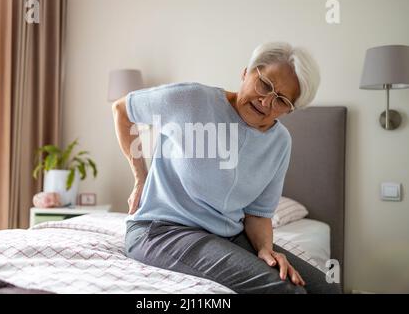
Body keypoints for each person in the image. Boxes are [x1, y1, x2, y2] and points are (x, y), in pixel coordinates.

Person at [112, 42, 341, 294]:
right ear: (247, 72)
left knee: (327, 288)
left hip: (226, 235)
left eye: (281, 100)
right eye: (265, 85)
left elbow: (258, 213)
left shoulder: (280, 142)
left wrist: (265, 248)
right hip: (161, 230)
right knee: (283, 291)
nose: (266, 102)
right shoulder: (192, 100)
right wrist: (140, 178)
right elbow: (122, 110)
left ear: (290, 110)